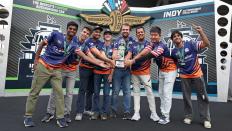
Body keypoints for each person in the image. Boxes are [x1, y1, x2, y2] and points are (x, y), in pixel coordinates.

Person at [40, 26, 94, 123]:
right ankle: (50, 113)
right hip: (61, 68)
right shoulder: (72, 38)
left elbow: (90, 58)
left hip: (72, 71)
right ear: (81, 32)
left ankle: (66, 113)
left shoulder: (85, 47)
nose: (85, 34)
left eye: (87, 34)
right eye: (84, 32)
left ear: (88, 36)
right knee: (55, 91)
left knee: (69, 93)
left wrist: (102, 62)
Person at [126, 26, 177, 124]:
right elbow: (143, 52)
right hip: (161, 71)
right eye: (152, 35)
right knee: (161, 93)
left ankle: (156, 114)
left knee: (163, 94)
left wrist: (132, 61)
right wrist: (130, 61)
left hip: (169, 71)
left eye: (155, 35)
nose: (153, 37)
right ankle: (137, 113)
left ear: (160, 35)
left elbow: (149, 56)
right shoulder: (151, 44)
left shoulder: (161, 45)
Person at [170, 24, 211, 128]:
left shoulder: (191, 44)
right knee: (186, 98)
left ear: (181, 37)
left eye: (178, 36)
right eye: (174, 36)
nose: (176, 37)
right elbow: (176, 63)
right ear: (172, 40)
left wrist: (201, 32)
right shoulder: (174, 52)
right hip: (184, 77)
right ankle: (188, 116)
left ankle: (206, 119)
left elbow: (207, 43)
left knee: (202, 97)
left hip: (197, 74)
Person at [75, 26, 115, 121]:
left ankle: (87, 109)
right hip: (85, 68)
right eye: (95, 32)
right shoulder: (88, 41)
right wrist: (108, 61)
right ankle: (79, 112)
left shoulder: (101, 43)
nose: (97, 33)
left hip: (94, 70)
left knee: (91, 91)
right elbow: (95, 54)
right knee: (82, 90)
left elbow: (102, 54)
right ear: (92, 33)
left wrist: (108, 63)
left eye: (99, 32)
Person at [125, 26, 160, 122]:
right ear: (136, 34)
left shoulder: (150, 44)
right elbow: (129, 54)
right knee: (136, 92)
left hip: (145, 73)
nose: (140, 33)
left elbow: (146, 54)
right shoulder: (132, 44)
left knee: (149, 93)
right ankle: (136, 113)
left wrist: (131, 60)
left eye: (141, 32)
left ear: (144, 33)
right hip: (134, 73)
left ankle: (154, 113)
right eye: (138, 32)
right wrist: (126, 60)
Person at [110, 23, 135, 120]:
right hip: (117, 69)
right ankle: (113, 111)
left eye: (127, 29)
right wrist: (114, 56)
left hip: (127, 70)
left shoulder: (132, 41)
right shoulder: (117, 41)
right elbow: (113, 55)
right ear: (121, 31)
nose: (125, 31)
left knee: (127, 92)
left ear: (129, 30)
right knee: (115, 91)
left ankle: (127, 111)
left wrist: (125, 62)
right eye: (123, 29)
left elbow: (130, 53)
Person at [90, 29, 114, 120]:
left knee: (106, 93)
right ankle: (96, 112)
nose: (108, 35)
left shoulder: (114, 46)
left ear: (111, 36)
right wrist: (107, 61)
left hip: (108, 73)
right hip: (97, 72)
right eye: (106, 34)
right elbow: (101, 56)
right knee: (96, 93)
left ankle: (104, 112)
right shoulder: (99, 44)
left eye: (109, 34)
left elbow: (114, 62)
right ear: (103, 36)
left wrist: (111, 74)